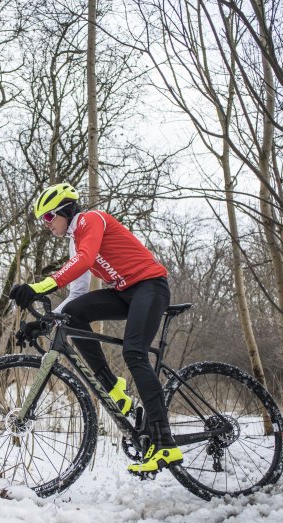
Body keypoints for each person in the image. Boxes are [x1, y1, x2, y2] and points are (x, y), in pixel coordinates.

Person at [9, 182, 183, 475]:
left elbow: (85, 261)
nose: (46, 225)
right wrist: (43, 324)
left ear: (65, 209)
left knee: (135, 354)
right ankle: (113, 386)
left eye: (49, 217)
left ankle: (165, 443)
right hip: (125, 292)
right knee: (75, 314)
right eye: (43, 221)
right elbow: (75, 296)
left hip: (150, 287)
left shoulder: (92, 220)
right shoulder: (75, 240)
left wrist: (38, 287)